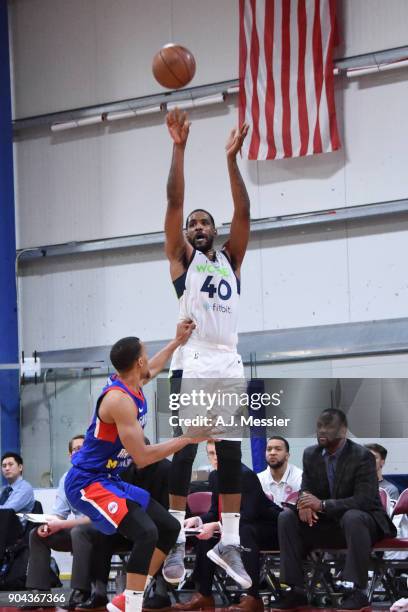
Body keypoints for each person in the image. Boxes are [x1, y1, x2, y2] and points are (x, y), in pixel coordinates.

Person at [64, 324, 213, 612]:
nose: (149, 360)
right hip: (87, 482)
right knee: (146, 532)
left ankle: (128, 597)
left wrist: (176, 343)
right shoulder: (119, 400)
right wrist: (189, 437)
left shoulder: (134, 381)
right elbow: (143, 457)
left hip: (108, 478)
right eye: (146, 354)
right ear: (138, 362)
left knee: (168, 528)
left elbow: (154, 368)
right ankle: (130, 604)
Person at [163, 107, 251, 589]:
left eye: (204, 222)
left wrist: (231, 159)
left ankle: (229, 543)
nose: (197, 225)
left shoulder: (231, 259)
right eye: (192, 222)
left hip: (229, 358)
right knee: (184, 451)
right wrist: (179, 149)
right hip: (193, 356)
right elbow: (174, 200)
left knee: (233, 455)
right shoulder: (182, 260)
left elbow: (245, 213)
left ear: (214, 231)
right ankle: (176, 540)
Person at [272, 408, 397, 611]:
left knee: (353, 516)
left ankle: (357, 591)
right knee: (286, 517)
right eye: (319, 426)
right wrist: (303, 502)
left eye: (328, 427)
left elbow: (364, 500)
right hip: (329, 525)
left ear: (343, 431)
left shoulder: (362, 456)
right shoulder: (311, 453)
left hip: (365, 523)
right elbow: (306, 488)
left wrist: (322, 505)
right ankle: (296, 591)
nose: (322, 431)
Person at [173, 441, 282, 612]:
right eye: (211, 454)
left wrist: (216, 525)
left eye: (218, 453)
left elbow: (249, 514)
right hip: (241, 527)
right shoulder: (215, 476)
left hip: (268, 528)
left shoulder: (245, 474)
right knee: (205, 535)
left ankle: (253, 597)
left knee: (244, 531)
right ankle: (204, 594)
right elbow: (215, 511)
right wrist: (199, 520)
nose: (215, 458)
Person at [26, 435, 108, 611]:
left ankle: (80, 591)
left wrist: (62, 525)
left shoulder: (102, 474)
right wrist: (48, 524)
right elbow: (59, 514)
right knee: (38, 534)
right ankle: (41, 594)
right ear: (70, 456)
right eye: (75, 449)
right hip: (77, 532)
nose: (79, 451)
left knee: (79, 531)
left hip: (104, 531)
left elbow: (100, 516)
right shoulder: (66, 479)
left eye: (83, 447)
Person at [0, 452, 34, 562]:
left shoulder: (25, 488)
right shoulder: (4, 490)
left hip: (14, 532)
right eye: (4, 466)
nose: (7, 468)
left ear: (20, 467)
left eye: (10, 464)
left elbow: (8, 510)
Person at [257, 436, 302, 506]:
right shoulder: (258, 479)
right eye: (269, 449)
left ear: (287, 455)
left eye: (278, 449)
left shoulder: (300, 477)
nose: (272, 453)